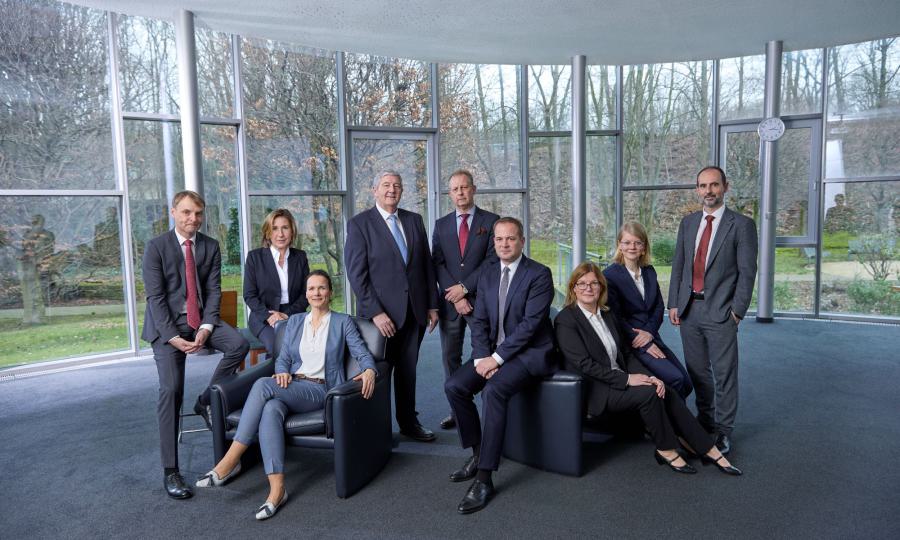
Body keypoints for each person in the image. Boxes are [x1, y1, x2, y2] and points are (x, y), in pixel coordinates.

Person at [195, 270, 377, 520]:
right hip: (292, 385)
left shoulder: (342, 322)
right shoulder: (296, 321)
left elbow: (361, 351)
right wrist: (281, 371)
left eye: (322, 288)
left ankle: (230, 460)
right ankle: (277, 489)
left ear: (330, 292)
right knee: (270, 410)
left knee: (263, 385)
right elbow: (284, 358)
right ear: (306, 294)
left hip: (320, 389)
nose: (316, 293)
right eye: (311, 289)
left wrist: (369, 370)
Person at [555, 262, 741, 476]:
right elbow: (585, 365)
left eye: (594, 283)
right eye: (582, 283)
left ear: (601, 287)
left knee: (665, 390)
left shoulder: (607, 314)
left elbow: (626, 353)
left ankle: (708, 448)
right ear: (573, 288)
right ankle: (666, 449)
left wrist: (650, 376)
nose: (588, 288)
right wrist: (628, 379)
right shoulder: (566, 320)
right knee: (649, 394)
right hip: (597, 389)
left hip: (619, 378)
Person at [141, 190, 249, 500]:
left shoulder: (210, 246)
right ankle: (170, 470)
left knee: (238, 344)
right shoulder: (156, 247)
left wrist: (205, 327)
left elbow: (214, 291)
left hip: (200, 320)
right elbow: (155, 298)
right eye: (187, 212)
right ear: (173, 212)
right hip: (166, 327)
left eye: (198, 213)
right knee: (171, 389)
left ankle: (205, 400)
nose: (193, 219)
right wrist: (173, 337)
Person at [444, 217, 556, 514]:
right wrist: (482, 357)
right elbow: (479, 320)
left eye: (511, 238)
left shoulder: (539, 274)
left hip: (529, 353)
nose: (504, 244)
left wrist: (496, 359)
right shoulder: (488, 272)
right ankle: (478, 453)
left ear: (522, 241)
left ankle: (484, 479)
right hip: (494, 352)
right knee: (454, 386)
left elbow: (530, 327)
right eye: (499, 239)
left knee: (493, 391)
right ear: (493, 242)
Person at [668, 166, 758, 455]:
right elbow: (679, 265)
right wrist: (674, 302)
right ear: (697, 189)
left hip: (721, 311)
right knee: (698, 372)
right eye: (703, 185)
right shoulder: (688, 223)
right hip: (689, 309)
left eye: (714, 185)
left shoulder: (741, 225)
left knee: (724, 374)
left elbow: (747, 272)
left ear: (725, 187)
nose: (708, 191)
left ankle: (724, 430)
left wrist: (737, 312)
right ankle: (705, 421)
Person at [344, 171, 440, 442]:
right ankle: (376, 430)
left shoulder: (414, 220)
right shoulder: (360, 224)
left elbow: (425, 265)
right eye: (386, 185)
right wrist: (376, 312)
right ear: (374, 190)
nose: (391, 189)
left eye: (397, 185)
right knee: (378, 373)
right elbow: (357, 275)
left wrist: (432, 305)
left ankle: (409, 422)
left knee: (408, 371)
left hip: (414, 311)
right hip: (379, 319)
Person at [431, 169, 499, 430]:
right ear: (450, 194)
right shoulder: (441, 225)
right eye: (455, 189)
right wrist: (455, 295)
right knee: (450, 357)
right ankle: (457, 411)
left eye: (464, 187)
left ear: (473, 189)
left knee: (485, 352)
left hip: (481, 301)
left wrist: (464, 288)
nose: (460, 192)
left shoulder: (490, 221)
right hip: (451, 303)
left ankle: (491, 408)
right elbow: (437, 262)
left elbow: (492, 261)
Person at [603, 222, 692, 398]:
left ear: (644, 247)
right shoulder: (610, 276)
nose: (632, 247)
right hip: (632, 341)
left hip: (651, 335)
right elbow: (615, 316)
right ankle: (671, 416)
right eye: (627, 242)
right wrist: (640, 339)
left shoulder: (649, 271)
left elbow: (658, 306)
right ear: (619, 245)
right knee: (676, 380)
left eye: (637, 242)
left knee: (687, 383)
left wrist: (649, 333)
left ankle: (670, 412)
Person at [243, 209, 310, 355]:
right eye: (274, 228)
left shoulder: (300, 257)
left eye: (285, 228)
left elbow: (306, 293)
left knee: (310, 345)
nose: (280, 234)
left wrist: (286, 315)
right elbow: (249, 295)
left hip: (293, 314)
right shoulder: (255, 257)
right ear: (268, 232)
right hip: (263, 316)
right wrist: (270, 316)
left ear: (292, 231)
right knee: (278, 346)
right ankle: (275, 370)